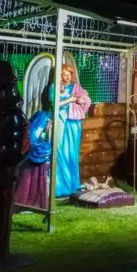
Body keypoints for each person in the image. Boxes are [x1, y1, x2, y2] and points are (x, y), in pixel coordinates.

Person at [50, 64, 90, 197]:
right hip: (60, 121)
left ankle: (73, 185)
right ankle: (59, 187)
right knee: (59, 150)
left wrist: (81, 100)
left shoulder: (76, 88)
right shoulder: (54, 87)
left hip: (73, 123)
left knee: (72, 153)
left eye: (68, 75)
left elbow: (87, 100)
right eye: (63, 75)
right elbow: (54, 104)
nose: (66, 77)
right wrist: (69, 100)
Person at [14, 111, 52, 209]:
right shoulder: (33, 134)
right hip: (30, 162)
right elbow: (33, 143)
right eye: (49, 122)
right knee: (27, 182)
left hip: (33, 161)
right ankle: (25, 203)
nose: (50, 125)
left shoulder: (38, 134)